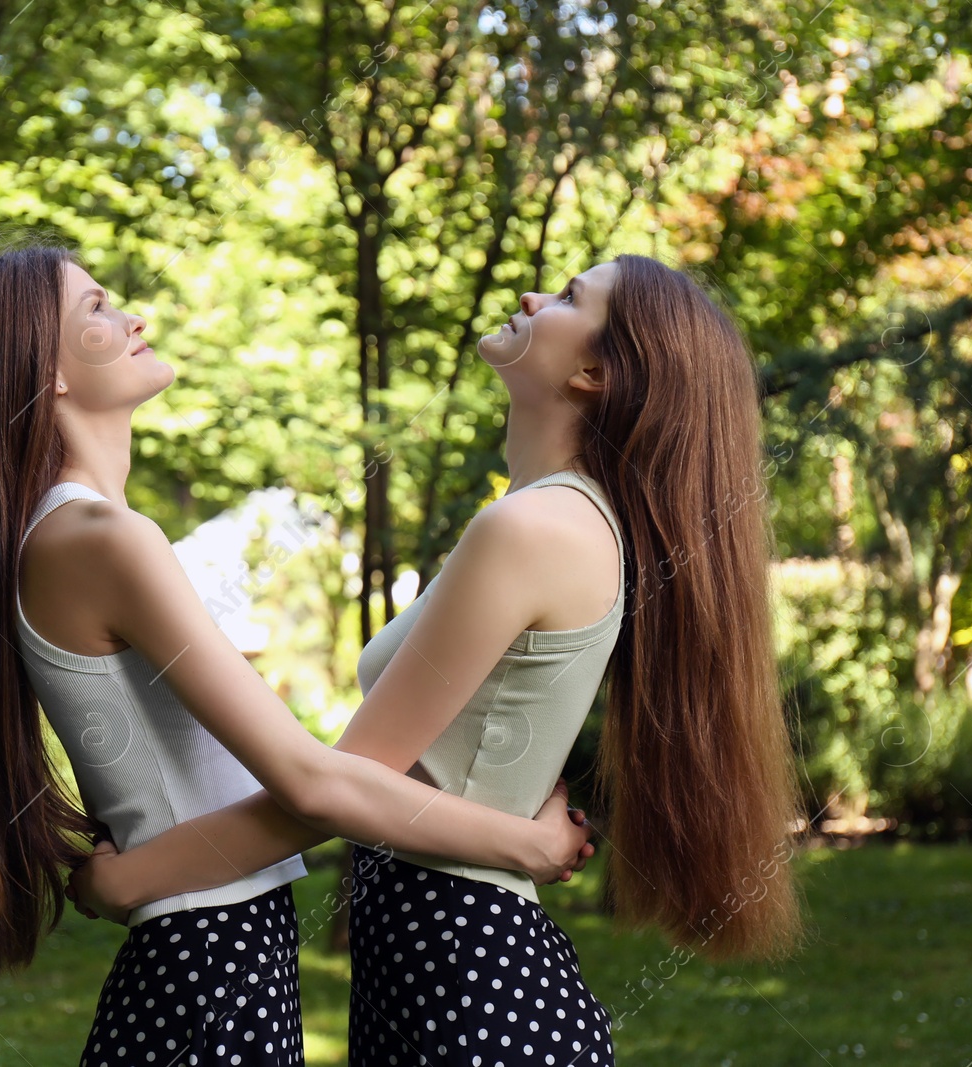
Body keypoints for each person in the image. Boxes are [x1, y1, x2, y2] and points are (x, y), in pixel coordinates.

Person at [73, 254, 806, 1066]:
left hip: (469, 986)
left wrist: (133, 881)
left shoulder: (536, 531)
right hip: (437, 976)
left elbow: (332, 787)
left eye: (569, 298)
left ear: (597, 370)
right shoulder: (544, 519)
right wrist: (515, 835)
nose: (533, 295)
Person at [0, 233, 595, 1067]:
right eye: (97, 306)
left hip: (212, 966)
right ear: (43, 371)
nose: (135, 316)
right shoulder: (97, 536)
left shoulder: (73, 532)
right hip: (205, 969)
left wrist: (132, 875)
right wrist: (526, 844)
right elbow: (308, 780)